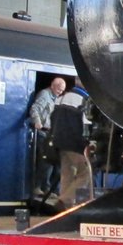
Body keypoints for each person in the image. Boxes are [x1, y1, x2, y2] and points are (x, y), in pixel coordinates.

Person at [50, 80, 93, 211]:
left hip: (59, 142)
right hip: (75, 143)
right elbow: (87, 124)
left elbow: (52, 118)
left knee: (67, 175)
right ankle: (65, 201)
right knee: (86, 174)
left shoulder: (61, 98)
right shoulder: (84, 100)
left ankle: (64, 209)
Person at [29, 76, 66, 198]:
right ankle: (40, 187)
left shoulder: (57, 98)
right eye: (59, 89)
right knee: (46, 161)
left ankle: (49, 189)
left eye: (62, 90)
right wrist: (37, 122)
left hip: (52, 133)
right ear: (52, 85)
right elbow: (34, 109)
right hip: (43, 132)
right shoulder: (44, 95)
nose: (60, 92)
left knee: (53, 162)